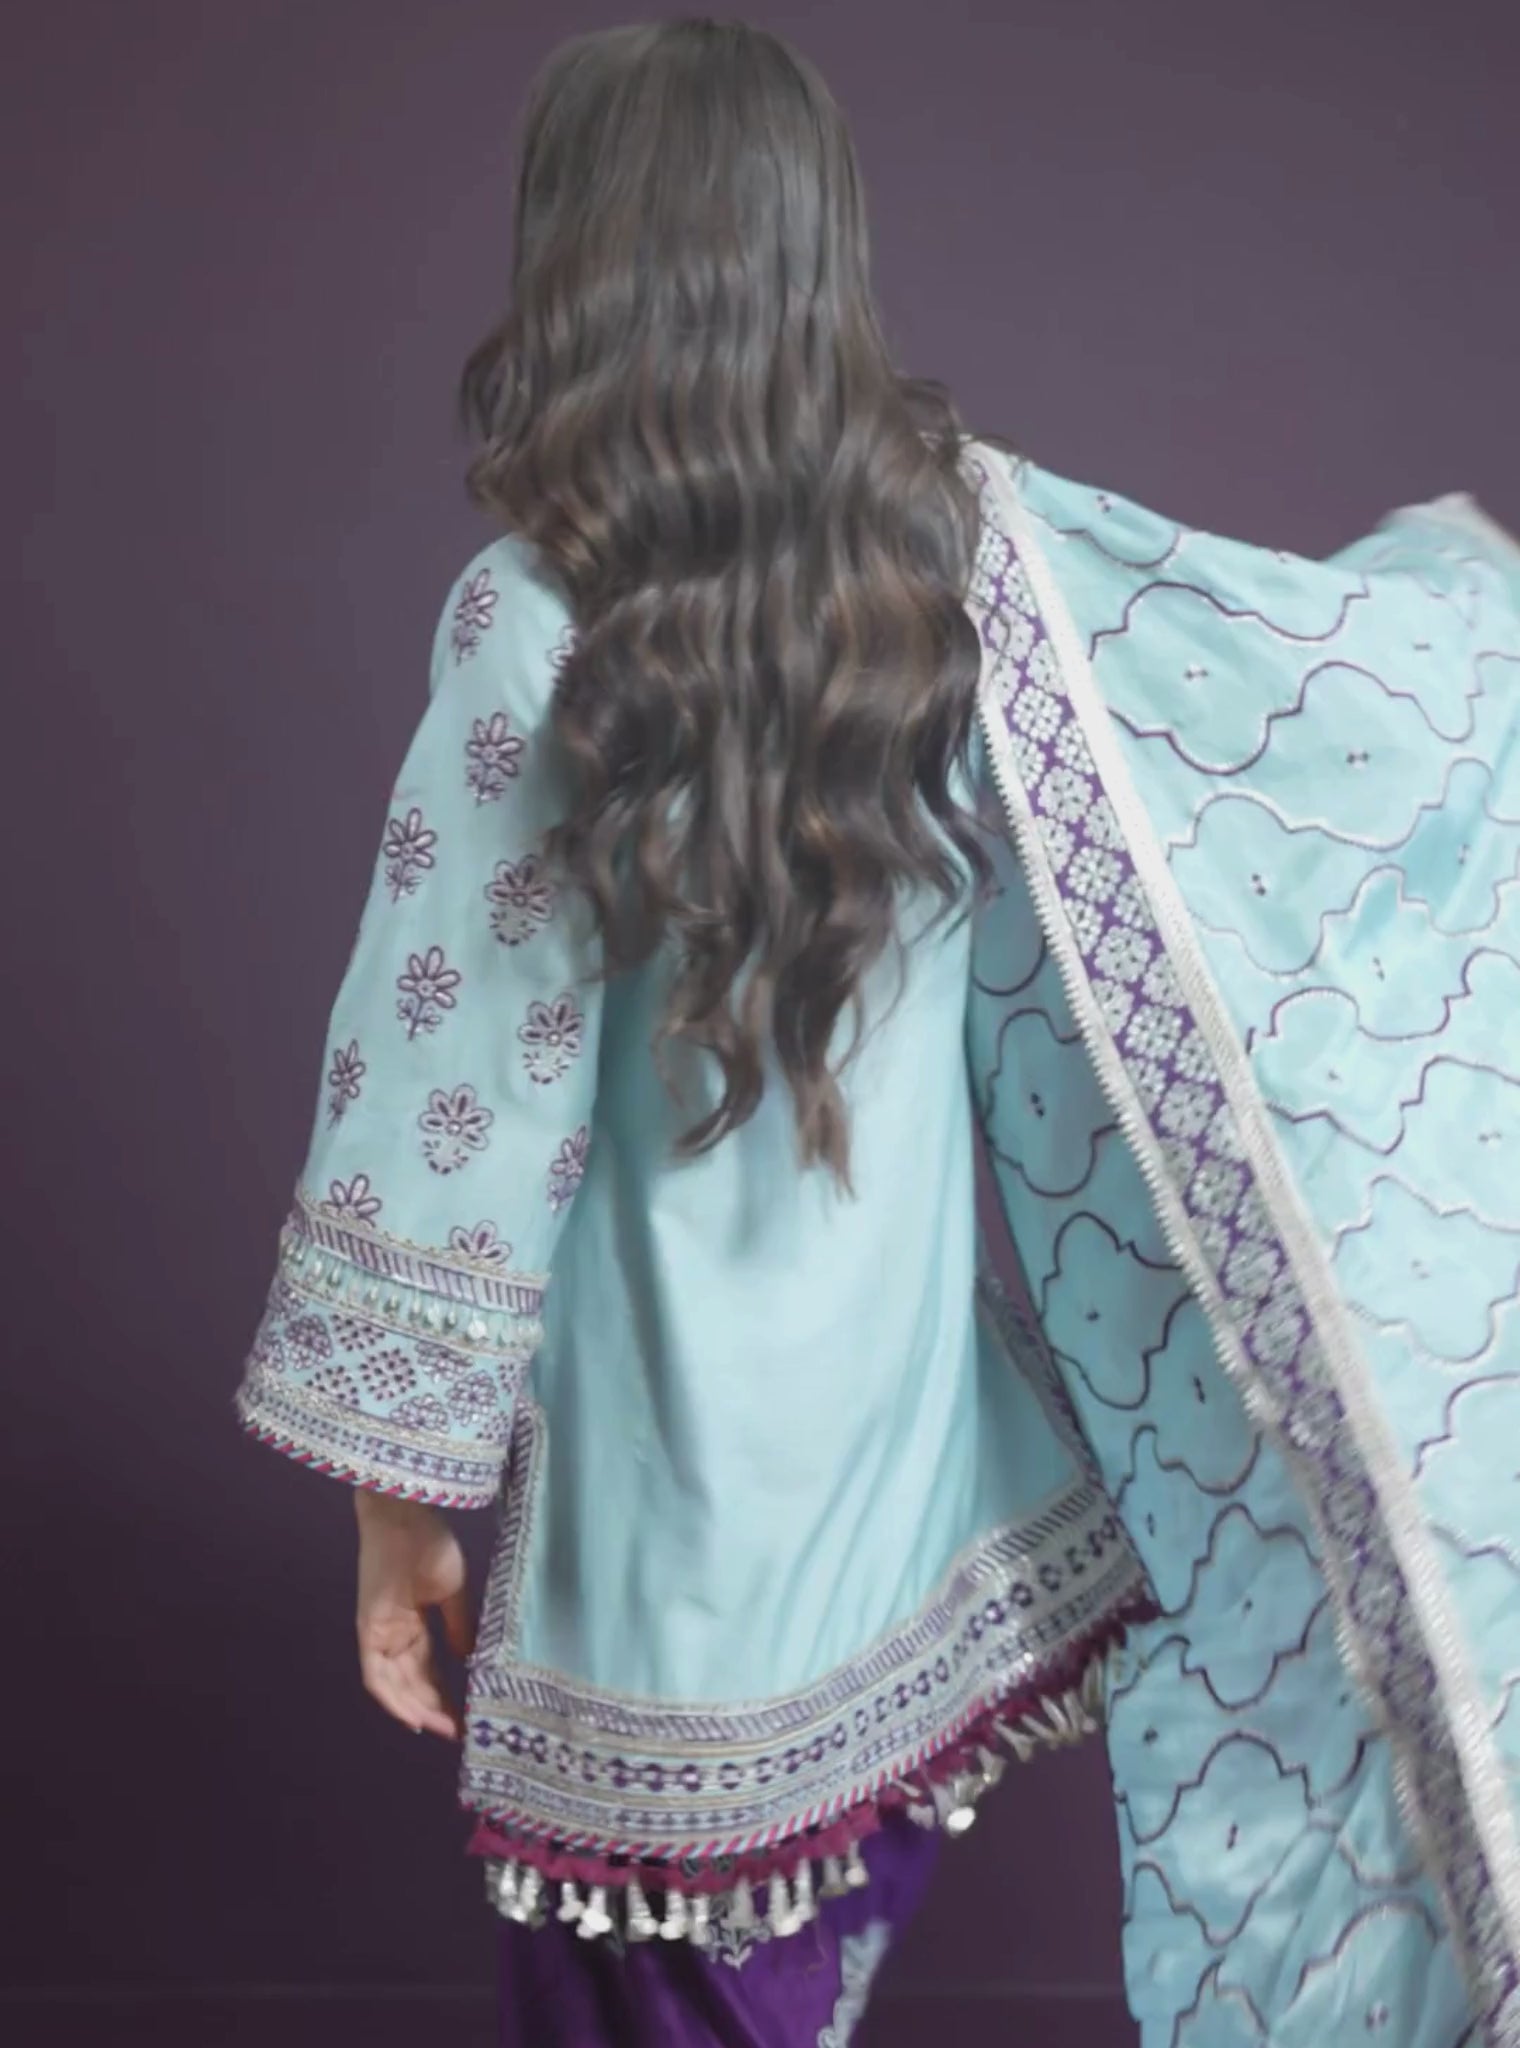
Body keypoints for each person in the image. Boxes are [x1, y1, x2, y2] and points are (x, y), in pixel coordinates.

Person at [235, 19, 1520, 2048]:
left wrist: (398, 1504)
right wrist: (1450, 626)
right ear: (814, 252)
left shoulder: (537, 614)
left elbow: (453, 1077)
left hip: (674, 1587)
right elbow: (1240, 690)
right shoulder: (959, 560)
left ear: (578, 259)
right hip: (917, 1529)